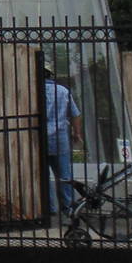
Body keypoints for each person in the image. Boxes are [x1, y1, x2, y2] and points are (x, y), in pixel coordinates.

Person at [43, 65, 82, 218]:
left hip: (39, 139)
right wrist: (77, 133)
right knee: (64, 175)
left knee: (43, 175)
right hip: (60, 139)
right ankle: (68, 207)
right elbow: (75, 114)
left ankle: (49, 207)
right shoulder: (62, 91)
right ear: (50, 75)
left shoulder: (32, 91)